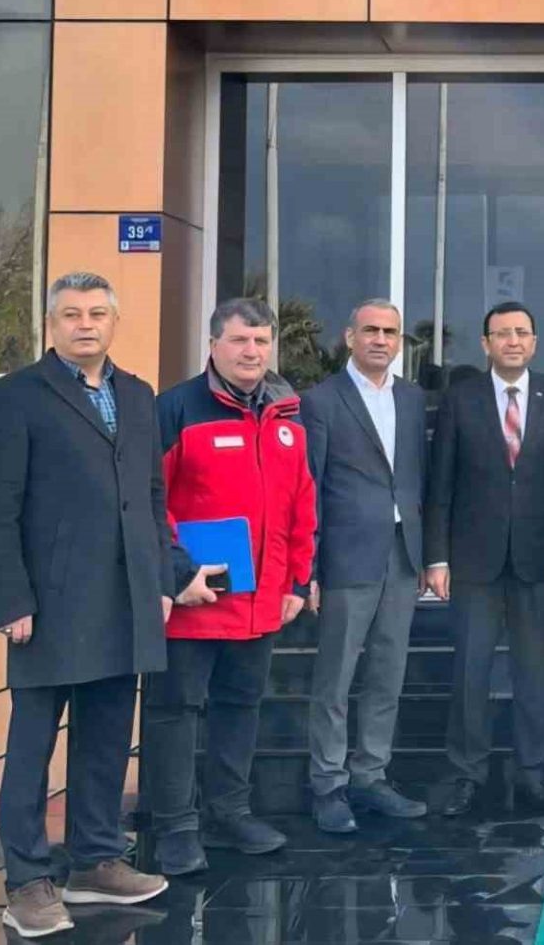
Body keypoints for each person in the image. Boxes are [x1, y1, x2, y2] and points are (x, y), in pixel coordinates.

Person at [0, 273, 170, 937]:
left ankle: (95, 860)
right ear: (51, 323)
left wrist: (160, 580)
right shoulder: (16, 395)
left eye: (97, 313)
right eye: (71, 314)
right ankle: (27, 880)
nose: (85, 324)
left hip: (124, 600)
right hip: (48, 605)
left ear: (113, 321)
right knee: (32, 746)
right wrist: (10, 599)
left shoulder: (137, 395)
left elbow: (149, 496)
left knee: (107, 738)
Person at [144, 298, 317, 876]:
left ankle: (229, 814)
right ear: (214, 345)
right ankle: (174, 827)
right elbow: (149, 502)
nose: (251, 351)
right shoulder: (176, 409)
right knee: (175, 711)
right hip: (192, 598)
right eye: (240, 340)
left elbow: (301, 505)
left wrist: (298, 579)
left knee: (240, 708)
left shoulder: (287, 415)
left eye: (261, 341)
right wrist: (178, 574)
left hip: (260, 600)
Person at [425, 301, 544, 818]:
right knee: (471, 672)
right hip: (473, 561)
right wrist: (437, 557)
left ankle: (531, 773)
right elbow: (441, 484)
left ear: (534, 342)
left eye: (521, 332)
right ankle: (467, 774)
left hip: (539, 560)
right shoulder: (461, 398)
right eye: (502, 333)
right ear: (485, 344)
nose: (513, 341)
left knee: (533, 673)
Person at [301, 300, 428, 834]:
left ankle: (370, 776)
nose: (380, 339)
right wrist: (308, 566)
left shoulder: (413, 399)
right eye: (370, 330)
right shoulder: (321, 401)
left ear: (399, 342)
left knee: (387, 674)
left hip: (402, 554)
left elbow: (417, 477)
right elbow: (309, 486)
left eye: (390, 332)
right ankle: (328, 784)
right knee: (335, 678)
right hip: (345, 556)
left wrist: (428, 554)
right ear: (349, 337)